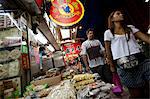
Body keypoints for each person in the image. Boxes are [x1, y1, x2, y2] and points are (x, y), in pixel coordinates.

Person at [104, 10, 150, 98]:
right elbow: (108, 51)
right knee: (136, 94)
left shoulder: (130, 28)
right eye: (118, 14)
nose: (121, 14)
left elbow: (145, 38)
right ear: (112, 19)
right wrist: (112, 67)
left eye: (121, 13)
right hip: (124, 66)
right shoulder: (108, 33)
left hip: (141, 61)